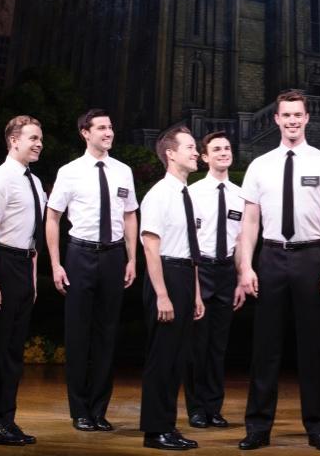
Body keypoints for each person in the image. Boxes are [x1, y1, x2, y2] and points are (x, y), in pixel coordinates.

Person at [236, 90, 320, 452]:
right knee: (265, 348)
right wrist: (245, 267)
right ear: (276, 119)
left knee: (315, 348)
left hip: (311, 259)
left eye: (298, 115)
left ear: (307, 117)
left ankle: (317, 427)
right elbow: (249, 222)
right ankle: (257, 428)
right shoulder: (260, 165)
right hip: (270, 258)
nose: (292, 121)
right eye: (286, 116)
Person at [46, 109, 138, 431]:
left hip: (113, 257)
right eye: (101, 127)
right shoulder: (69, 171)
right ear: (85, 133)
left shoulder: (123, 172)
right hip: (80, 255)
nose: (108, 132)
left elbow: (129, 216)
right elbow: (53, 217)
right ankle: (80, 411)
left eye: (110, 127)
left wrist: (132, 258)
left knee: (107, 335)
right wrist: (56, 264)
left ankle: (99, 410)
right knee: (78, 334)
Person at [0, 115, 46, 446]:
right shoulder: (1, 179)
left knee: (14, 352)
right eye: (33, 138)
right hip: (2, 265)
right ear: (13, 141)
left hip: (22, 267)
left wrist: (32, 278)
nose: (39, 143)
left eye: (41, 139)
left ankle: (7, 419)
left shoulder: (33, 181)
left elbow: (31, 236)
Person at [139, 126, 205, 450]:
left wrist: (194, 292)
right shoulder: (159, 194)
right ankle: (155, 431)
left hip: (181, 277)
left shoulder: (184, 194)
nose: (196, 152)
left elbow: (187, 249)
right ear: (171, 153)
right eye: (190, 147)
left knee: (177, 359)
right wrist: (163, 294)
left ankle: (167, 425)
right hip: (163, 276)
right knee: (161, 358)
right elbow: (151, 246)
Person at [185, 131, 246, 429]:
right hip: (201, 271)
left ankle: (214, 408)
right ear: (205, 157)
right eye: (217, 149)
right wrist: (195, 288)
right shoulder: (193, 193)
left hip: (226, 274)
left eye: (227, 148)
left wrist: (239, 280)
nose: (224, 152)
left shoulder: (241, 195)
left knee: (218, 347)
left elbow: (241, 242)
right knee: (198, 345)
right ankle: (196, 409)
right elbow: (189, 244)